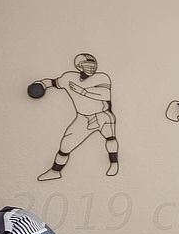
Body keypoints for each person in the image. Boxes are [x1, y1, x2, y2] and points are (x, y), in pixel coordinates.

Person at [29, 53, 118, 181]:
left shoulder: (102, 77)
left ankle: (114, 163)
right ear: (79, 65)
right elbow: (53, 82)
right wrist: (41, 84)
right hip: (83, 118)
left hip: (102, 115)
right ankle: (55, 171)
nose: (91, 67)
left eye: (93, 64)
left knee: (110, 137)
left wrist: (83, 91)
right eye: (87, 64)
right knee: (65, 145)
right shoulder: (69, 77)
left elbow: (105, 94)